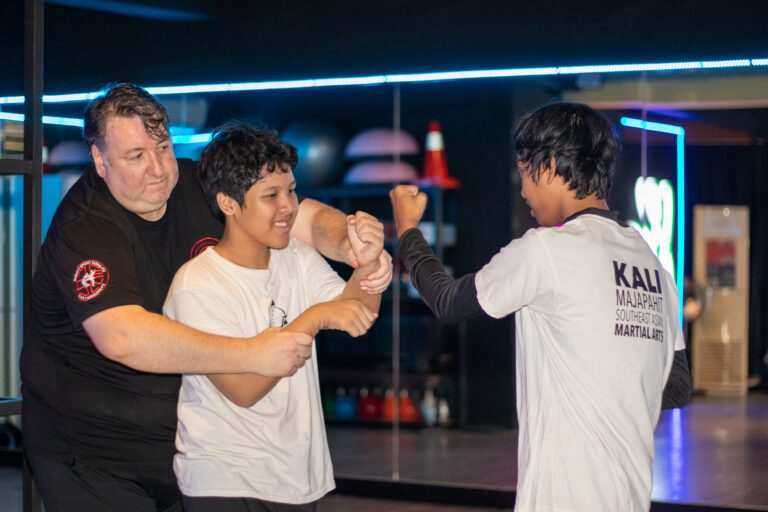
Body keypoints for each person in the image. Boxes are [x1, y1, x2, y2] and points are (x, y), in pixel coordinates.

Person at [20, 83, 391, 512]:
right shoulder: (86, 228)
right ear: (100, 161)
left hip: (177, 444)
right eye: (135, 156)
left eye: (162, 147)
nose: (158, 168)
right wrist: (251, 353)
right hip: (89, 451)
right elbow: (121, 336)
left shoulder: (195, 183)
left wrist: (350, 246)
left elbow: (299, 213)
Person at [390, 102, 691, 512]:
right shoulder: (654, 266)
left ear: (547, 166)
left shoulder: (546, 251)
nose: (523, 189)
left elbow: (446, 301)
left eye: (523, 171)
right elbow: (676, 387)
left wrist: (408, 231)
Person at [163, 123, 383, 511]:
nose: (289, 207)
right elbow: (244, 389)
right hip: (225, 481)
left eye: (292, 190)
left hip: (295, 476)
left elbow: (356, 314)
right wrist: (314, 318)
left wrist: (367, 263)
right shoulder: (196, 284)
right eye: (271, 195)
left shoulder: (296, 257)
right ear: (228, 203)